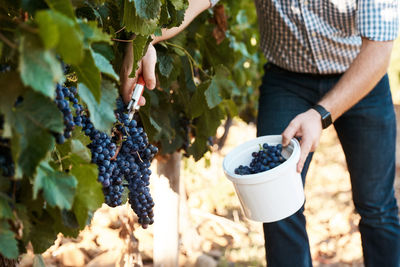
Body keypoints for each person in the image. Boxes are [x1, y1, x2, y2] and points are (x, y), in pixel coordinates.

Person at [120, 0, 400, 266]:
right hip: (288, 78)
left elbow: (378, 51)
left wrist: (320, 114)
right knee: (276, 206)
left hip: (360, 76)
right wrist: (146, 39)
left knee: (376, 206)